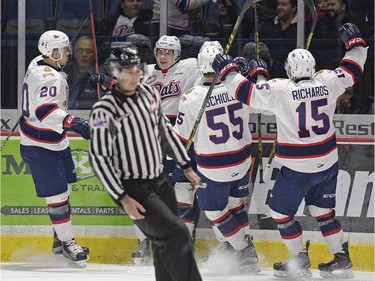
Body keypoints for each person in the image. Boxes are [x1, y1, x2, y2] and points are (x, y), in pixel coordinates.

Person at [212, 22, 367, 278]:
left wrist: (228, 70)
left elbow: (247, 93)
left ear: (290, 70)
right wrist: (356, 43)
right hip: (327, 164)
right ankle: (341, 259)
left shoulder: (281, 90)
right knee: (323, 212)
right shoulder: (327, 80)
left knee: (281, 213)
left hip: (296, 169)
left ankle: (299, 260)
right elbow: (353, 68)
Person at [88, 44, 203, 281]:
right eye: (128, 71)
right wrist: (122, 197)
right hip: (133, 187)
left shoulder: (150, 94)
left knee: (162, 245)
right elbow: (98, 157)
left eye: (137, 70)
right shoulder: (103, 110)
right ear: (116, 73)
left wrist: (186, 165)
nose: (134, 76)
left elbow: (165, 131)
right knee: (178, 232)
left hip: (160, 180)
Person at [173, 41, 261, 272]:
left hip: (214, 166)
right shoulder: (240, 87)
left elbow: (181, 139)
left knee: (214, 211)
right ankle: (244, 242)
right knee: (235, 204)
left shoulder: (191, 97)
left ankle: (244, 250)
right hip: (243, 161)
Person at [19, 30, 91, 267]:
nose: (69, 52)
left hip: (55, 140)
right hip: (41, 145)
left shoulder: (38, 63)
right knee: (57, 197)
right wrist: (75, 122)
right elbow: (44, 110)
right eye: (65, 49)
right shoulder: (49, 76)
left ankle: (59, 239)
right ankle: (68, 243)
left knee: (65, 189)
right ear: (53, 52)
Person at [131, 35, 202, 263]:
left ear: (177, 54)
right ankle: (143, 240)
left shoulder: (189, 68)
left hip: (178, 139)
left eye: (168, 52)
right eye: (160, 51)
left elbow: (212, 67)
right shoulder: (146, 71)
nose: (163, 56)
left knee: (183, 192)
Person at [64, 36, 110, 110]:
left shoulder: (101, 72)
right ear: (75, 54)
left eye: (89, 51)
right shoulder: (66, 71)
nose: (84, 54)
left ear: (95, 54)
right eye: (80, 51)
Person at [259, 0, 301, 77]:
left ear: (294, 8)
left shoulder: (304, 27)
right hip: (271, 75)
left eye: (283, 4)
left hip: (295, 75)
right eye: (278, 4)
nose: (279, 7)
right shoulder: (267, 27)